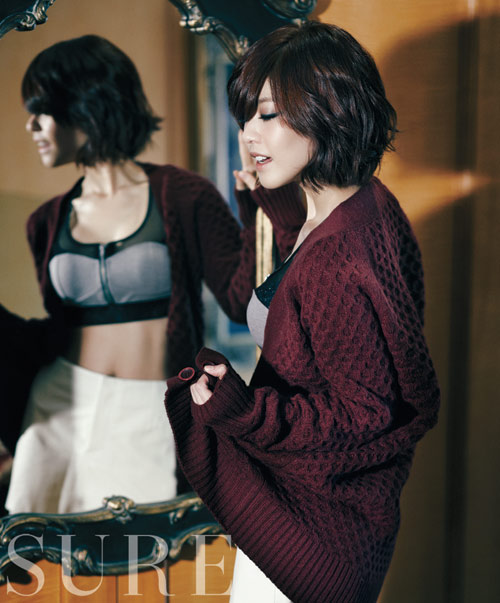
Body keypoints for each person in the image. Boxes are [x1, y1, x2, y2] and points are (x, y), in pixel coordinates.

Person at [164, 21, 440, 603]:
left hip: (313, 545)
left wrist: (244, 412)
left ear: (328, 110)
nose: (248, 133)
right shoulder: (365, 205)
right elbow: (325, 310)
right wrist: (280, 214)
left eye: (268, 114)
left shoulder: (337, 257)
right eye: (246, 116)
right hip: (317, 528)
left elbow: (366, 413)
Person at [0, 34, 304, 515]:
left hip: (152, 411)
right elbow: (57, 330)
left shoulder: (184, 195)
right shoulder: (45, 221)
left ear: (85, 105)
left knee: (148, 551)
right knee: (44, 550)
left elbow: (238, 301)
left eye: (41, 110)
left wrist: (255, 209)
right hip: (60, 405)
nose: (30, 125)